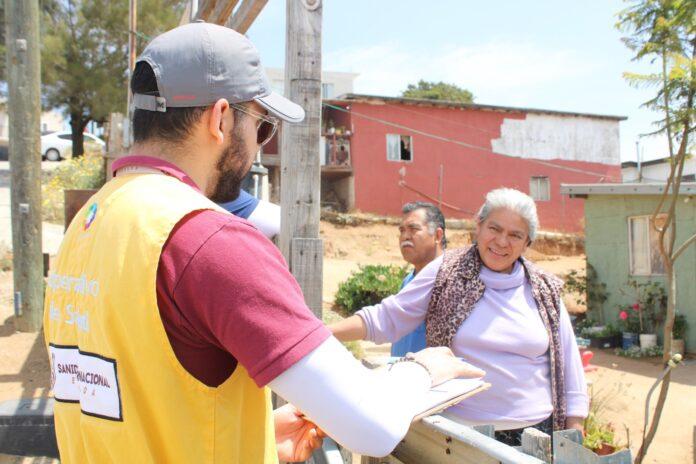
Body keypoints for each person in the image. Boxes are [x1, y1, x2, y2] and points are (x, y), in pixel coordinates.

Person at [43, 22, 483, 463]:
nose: (258, 145)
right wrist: (420, 370)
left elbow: (125, 395)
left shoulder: (88, 224)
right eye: (262, 126)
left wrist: (254, 437)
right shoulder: (207, 239)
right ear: (220, 118)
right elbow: (374, 427)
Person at [330, 188, 588, 446]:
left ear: (527, 243)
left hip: (535, 435)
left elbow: (568, 362)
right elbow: (387, 317)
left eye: (515, 235)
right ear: (479, 226)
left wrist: (574, 432)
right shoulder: (446, 272)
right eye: (494, 229)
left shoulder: (543, 289)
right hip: (461, 434)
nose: (501, 242)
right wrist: (322, 333)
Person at [390, 202, 445, 357]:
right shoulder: (408, 281)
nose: (405, 236)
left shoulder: (452, 283)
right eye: (402, 230)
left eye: (413, 229)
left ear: (438, 236)